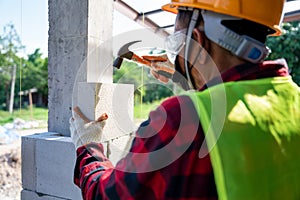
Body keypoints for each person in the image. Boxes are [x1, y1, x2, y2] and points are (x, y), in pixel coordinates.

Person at [70, 0, 300, 199]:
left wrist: (87, 144)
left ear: (199, 40)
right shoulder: (293, 99)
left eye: (177, 45)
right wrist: (188, 72)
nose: (175, 55)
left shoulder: (184, 120)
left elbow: (111, 196)